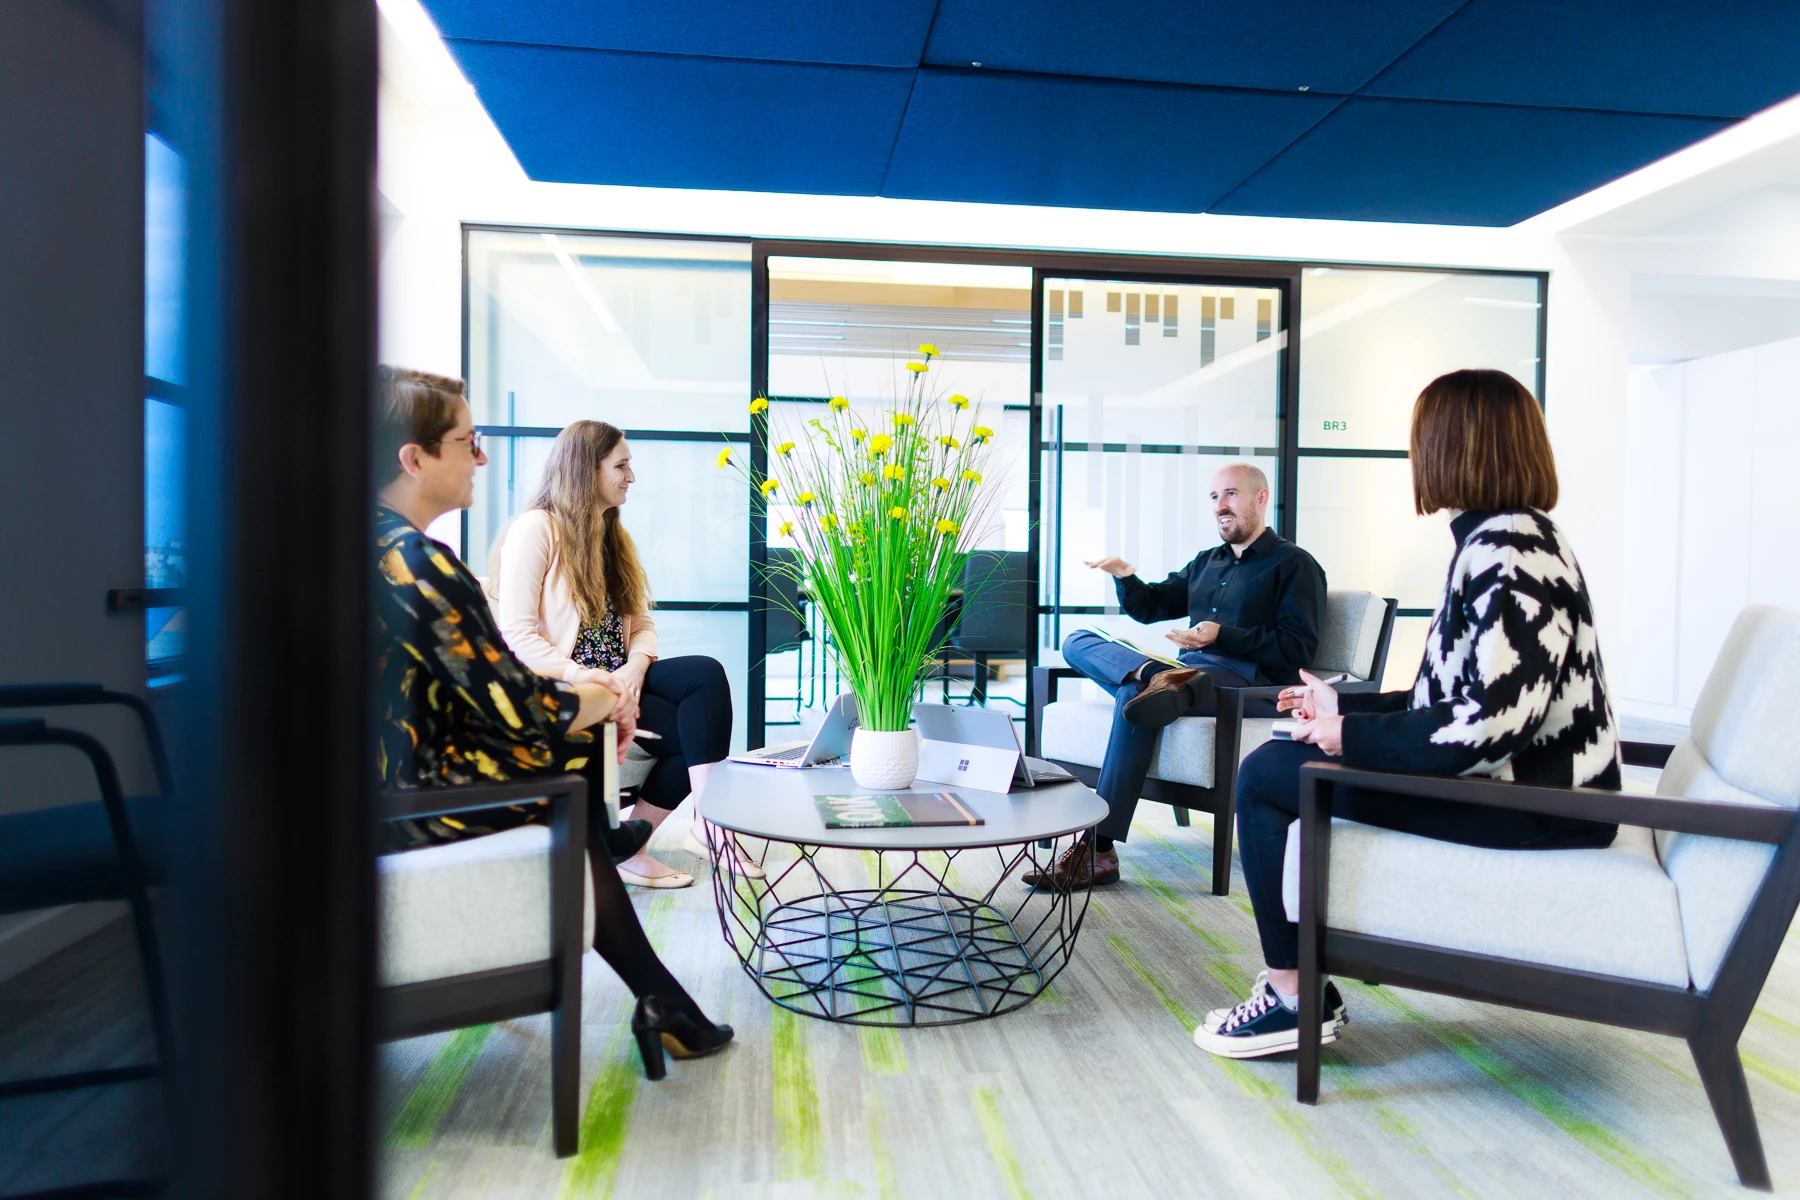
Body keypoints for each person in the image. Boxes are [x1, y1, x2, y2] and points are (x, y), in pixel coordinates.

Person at [1193, 369, 1621, 1060]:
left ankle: (1291, 997)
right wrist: (1346, 707)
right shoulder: (1507, 539)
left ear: (1455, 446)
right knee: (1279, 761)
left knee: (1269, 775)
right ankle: (1300, 986)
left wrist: (1350, 735)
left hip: (1540, 802)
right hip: (1522, 783)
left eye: (1421, 435)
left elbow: (1482, 724)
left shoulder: (1508, 552)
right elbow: (1455, 697)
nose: (1413, 453)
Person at [373, 366, 731, 1074]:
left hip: (402, 767)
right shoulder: (421, 560)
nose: (481, 456)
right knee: (566, 773)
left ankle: (659, 981)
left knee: (685, 692)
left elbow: (632, 630)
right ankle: (660, 992)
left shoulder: (385, 547)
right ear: (415, 459)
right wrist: (597, 699)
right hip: (411, 788)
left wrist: (624, 681)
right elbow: (516, 689)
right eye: (467, 441)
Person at [1024, 462, 1326, 889]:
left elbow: (1297, 649)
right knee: (1079, 640)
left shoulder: (1294, 565)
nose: (1221, 505)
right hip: (1184, 675)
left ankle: (1099, 850)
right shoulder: (1207, 563)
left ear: (1261, 498)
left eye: (1232, 495)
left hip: (1241, 685)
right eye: (1215, 497)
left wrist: (1224, 635)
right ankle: (1154, 676)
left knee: (1133, 690)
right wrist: (1125, 576)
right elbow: (1151, 607)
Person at [485, 420, 751, 888]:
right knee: (689, 729)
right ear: (586, 470)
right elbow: (518, 636)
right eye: (621, 465)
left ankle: (688, 828)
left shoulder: (610, 536)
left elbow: (643, 626)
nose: (632, 476)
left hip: (621, 679)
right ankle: (669, 836)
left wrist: (634, 665)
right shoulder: (536, 528)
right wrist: (589, 677)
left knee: (703, 678)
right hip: (575, 690)